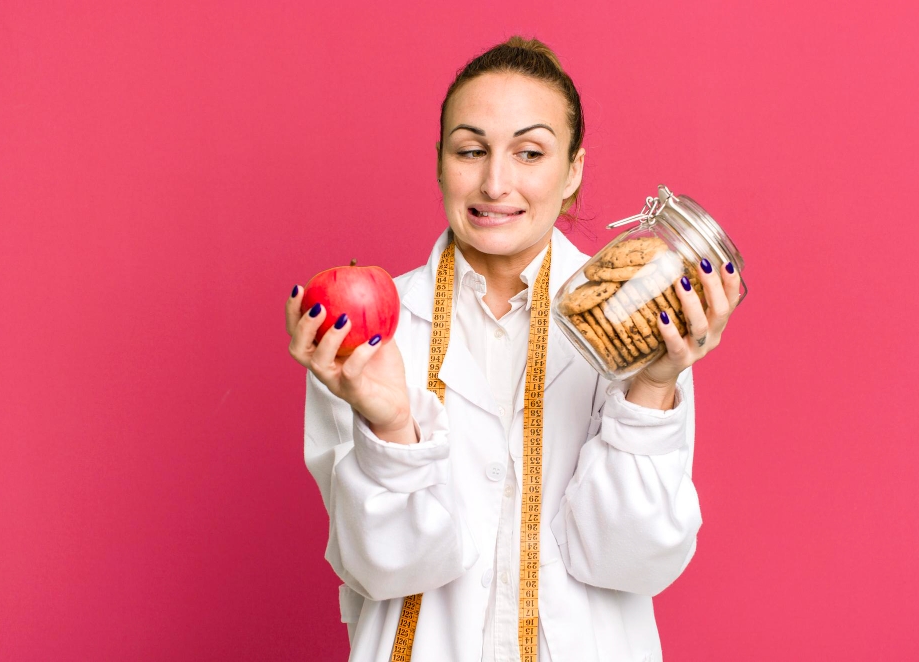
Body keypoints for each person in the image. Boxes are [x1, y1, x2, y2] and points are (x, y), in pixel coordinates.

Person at [286, 36, 741, 662]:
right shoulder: (364, 336)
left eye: (530, 152)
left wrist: (654, 385)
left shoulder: (639, 324)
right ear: (441, 162)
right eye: (471, 150)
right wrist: (391, 426)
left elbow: (632, 562)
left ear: (574, 168)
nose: (496, 183)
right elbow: (383, 570)